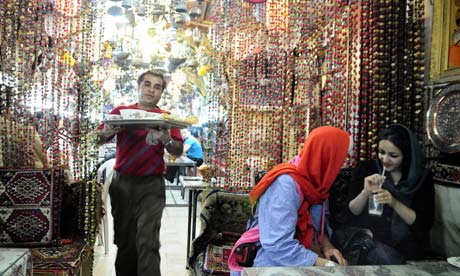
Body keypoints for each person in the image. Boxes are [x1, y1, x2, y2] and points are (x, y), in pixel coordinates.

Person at [228, 126, 351, 275]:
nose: (342, 166)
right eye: (340, 160)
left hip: (302, 256)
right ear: (327, 158)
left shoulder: (319, 184)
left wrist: (327, 246)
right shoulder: (285, 185)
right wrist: (322, 263)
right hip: (271, 261)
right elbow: (277, 244)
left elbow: (318, 226)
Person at [97, 70, 183, 276]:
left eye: (157, 87)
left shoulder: (166, 118)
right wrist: (107, 132)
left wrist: (166, 139)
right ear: (138, 86)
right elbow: (97, 139)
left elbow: (177, 151)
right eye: (147, 84)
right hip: (122, 185)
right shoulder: (121, 112)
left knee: (148, 241)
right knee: (125, 242)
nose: (151, 90)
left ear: (162, 92)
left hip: (152, 186)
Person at [342, 124, 434, 265]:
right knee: (385, 257)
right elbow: (353, 211)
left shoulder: (421, 178)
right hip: (372, 241)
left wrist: (394, 203)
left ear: (406, 155)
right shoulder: (367, 169)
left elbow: (423, 224)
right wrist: (366, 192)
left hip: (408, 245)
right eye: (381, 152)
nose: (385, 159)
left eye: (393, 155)